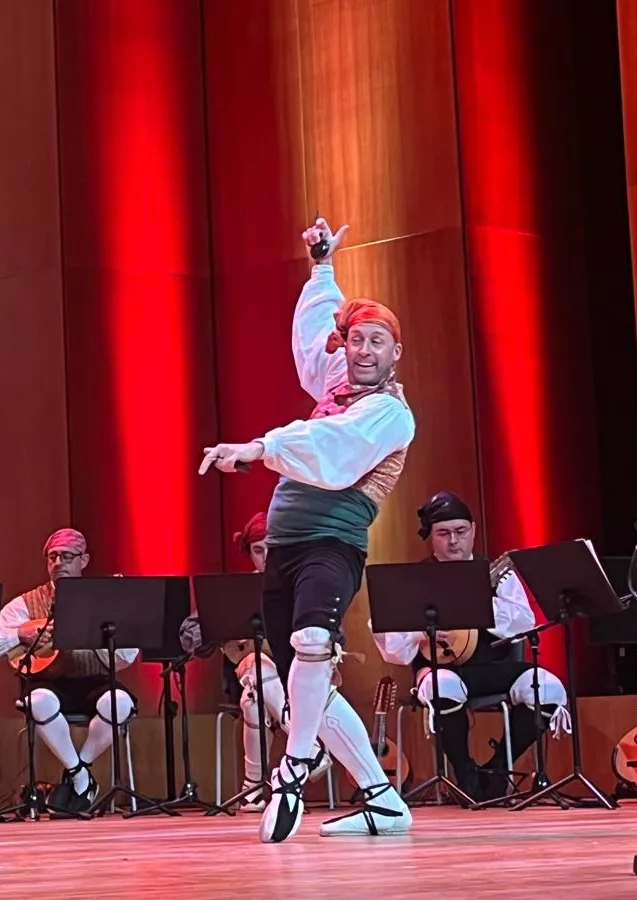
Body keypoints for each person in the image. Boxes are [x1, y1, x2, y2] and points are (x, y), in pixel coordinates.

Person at [200, 217, 415, 842]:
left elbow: (331, 450)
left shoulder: (388, 415)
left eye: (377, 341)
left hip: (332, 545)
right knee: (302, 675)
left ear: (396, 352)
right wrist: (322, 265)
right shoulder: (336, 385)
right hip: (287, 549)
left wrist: (255, 447)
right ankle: (380, 797)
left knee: (314, 646)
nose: (364, 350)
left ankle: (291, 770)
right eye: (356, 341)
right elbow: (310, 339)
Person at [371, 491, 570, 802]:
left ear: (473, 530)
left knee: (548, 688)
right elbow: (392, 644)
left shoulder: (497, 574)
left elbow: (523, 622)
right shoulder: (414, 580)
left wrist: (476, 604)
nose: (453, 541)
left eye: (460, 532)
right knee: (443, 686)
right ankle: (465, 774)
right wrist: (422, 634)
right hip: (441, 669)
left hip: (494, 667)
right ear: (431, 537)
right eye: (443, 533)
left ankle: (497, 769)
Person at [180, 513, 330, 812]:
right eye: (258, 550)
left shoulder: (301, 587)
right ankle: (310, 748)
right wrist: (210, 626)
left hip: (302, 681)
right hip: (256, 677)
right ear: (248, 552)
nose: (266, 557)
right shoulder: (236, 591)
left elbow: (330, 631)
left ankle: (252, 788)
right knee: (255, 665)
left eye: (271, 548)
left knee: (253, 699)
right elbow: (190, 636)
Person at [0, 529, 137, 815]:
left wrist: (95, 633)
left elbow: (127, 657)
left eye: (67, 556)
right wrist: (20, 633)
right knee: (38, 701)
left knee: (120, 704)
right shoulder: (26, 604)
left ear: (84, 560)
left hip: (94, 681)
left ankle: (78, 772)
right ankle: (81, 777)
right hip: (47, 682)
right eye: (53, 557)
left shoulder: (104, 600)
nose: (59, 563)